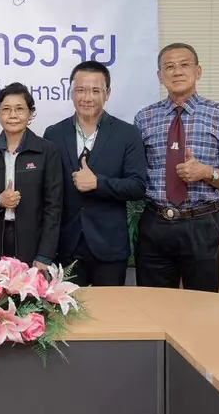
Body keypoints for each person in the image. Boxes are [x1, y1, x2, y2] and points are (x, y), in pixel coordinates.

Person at [133, 43, 219, 293]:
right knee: (154, 304)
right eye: (169, 67)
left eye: (184, 64)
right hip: (155, 222)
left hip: (202, 223)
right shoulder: (144, 118)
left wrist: (207, 172)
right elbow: (135, 173)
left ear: (198, 71)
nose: (177, 72)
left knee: (202, 306)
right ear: (160, 76)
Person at [43, 61, 146, 286]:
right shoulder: (53, 134)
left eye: (95, 90)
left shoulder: (127, 134)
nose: (87, 97)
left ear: (107, 93)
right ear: (71, 92)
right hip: (65, 246)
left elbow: (138, 186)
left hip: (109, 245)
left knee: (109, 316)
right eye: (80, 90)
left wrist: (98, 183)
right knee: (67, 318)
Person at [0, 83, 62, 268]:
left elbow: (54, 207)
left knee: (30, 296)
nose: (13, 115)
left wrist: (44, 255)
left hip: (32, 243)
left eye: (20, 109)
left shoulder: (47, 151)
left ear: (30, 114)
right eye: (6, 109)